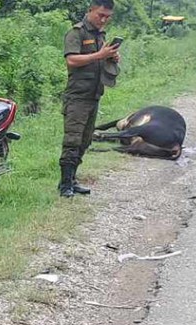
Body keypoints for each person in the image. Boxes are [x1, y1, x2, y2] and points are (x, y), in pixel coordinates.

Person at [58, 0, 121, 198]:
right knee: (72, 140)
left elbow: (99, 58)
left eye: (107, 17)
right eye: (100, 15)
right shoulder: (76, 33)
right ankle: (65, 185)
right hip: (77, 97)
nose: (103, 20)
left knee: (85, 141)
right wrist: (99, 55)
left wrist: (110, 57)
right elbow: (72, 60)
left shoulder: (100, 35)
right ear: (90, 10)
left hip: (94, 95)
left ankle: (72, 179)